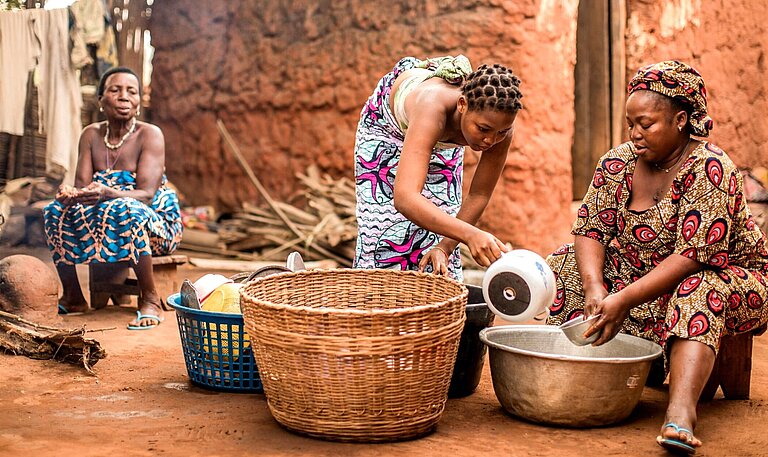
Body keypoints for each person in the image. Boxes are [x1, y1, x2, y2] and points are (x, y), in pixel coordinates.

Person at [546, 60, 768, 454]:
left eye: (645, 124)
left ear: (681, 120)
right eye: (631, 124)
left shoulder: (711, 167)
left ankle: (680, 412)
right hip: (644, 277)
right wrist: (597, 288)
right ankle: (574, 374)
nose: (635, 134)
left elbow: (695, 256)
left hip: (728, 279)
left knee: (698, 288)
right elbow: (589, 229)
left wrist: (624, 298)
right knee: (563, 263)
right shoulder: (619, 163)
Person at [354, 55, 523, 281]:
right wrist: (471, 235)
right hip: (387, 128)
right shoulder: (432, 107)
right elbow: (404, 198)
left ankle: (436, 309)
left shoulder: (498, 128)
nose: (490, 141)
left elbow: (479, 194)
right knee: (385, 237)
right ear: (462, 105)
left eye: (500, 132)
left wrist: (445, 247)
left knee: (440, 235)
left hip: (448, 131)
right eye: (483, 129)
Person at [43, 66, 183, 330]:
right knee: (53, 211)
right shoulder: (91, 135)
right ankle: (73, 296)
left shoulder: (150, 134)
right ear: (101, 100)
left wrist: (108, 193)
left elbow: (147, 195)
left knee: (127, 208)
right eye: (115, 90)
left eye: (131, 91)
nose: (124, 96)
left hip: (153, 221)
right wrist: (69, 195)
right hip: (104, 214)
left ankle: (150, 299)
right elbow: (82, 187)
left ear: (139, 102)